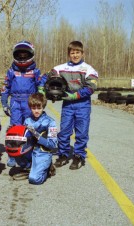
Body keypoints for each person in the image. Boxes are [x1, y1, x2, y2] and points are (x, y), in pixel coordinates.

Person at [42, 41, 98, 170]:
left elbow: (91, 87)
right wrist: (41, 89)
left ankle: (79, 156)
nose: (75, 55)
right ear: (69, 54)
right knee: (64, 131)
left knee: (81, 132)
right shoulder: (61, 68)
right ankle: (63, 155)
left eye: (77, 52)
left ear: (82, 53)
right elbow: (45, 77)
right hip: (67, 103)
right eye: (72, 52)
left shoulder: (89, 69)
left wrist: (75, 95)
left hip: (82, 104)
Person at [0, 40, 42, 167]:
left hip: (30, 101)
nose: (23, 58)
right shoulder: (11, 71)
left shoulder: (35, 71)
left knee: (30, 127)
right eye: (20, 55)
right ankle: (13, 155)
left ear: (31, 54)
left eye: (25, 55)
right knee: (15, 128)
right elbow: (5, 87)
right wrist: (4, 103)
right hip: (15, 102)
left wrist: (40, 100)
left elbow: (40, 87)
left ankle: (31, 153)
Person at [11, 93, 58, 184]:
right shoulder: (27, 120)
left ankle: (47, 169)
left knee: (34, 179)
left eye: (39, 108)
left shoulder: (51, 122)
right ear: (30, 108)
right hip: (30, 150)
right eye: (33, 108)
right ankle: (30, 168)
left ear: (43, 107)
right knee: (15, 150)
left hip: (43, 152)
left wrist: (37, 135)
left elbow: (53, 144)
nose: (36, 111)